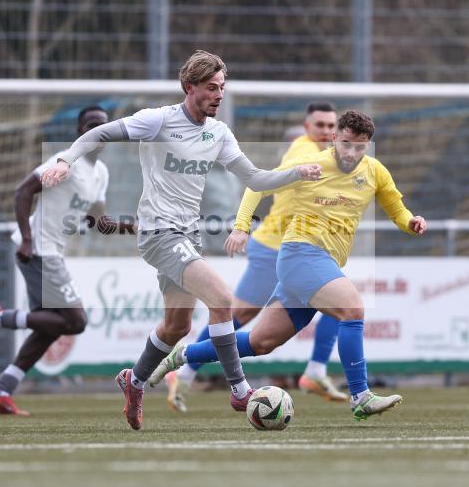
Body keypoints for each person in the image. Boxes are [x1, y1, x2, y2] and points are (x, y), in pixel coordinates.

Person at [39, 50, 321, 430]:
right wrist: (66, 160)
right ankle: (239, 390)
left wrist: (296, 173)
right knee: (222, 299)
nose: (218, 95)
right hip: (158, 233)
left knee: (176, 328)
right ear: (189, 87)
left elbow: (255, 179)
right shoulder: (158, 121)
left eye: (222, 87)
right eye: (210, 87)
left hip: (187, 234)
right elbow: (100, 132)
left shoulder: (218, 133)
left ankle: (134, 380)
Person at [150, 110, 427, 421]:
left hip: (320, 263)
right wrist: (242, 227)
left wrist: (411, 222)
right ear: (334, 138)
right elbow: (257, 185)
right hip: (300, 255)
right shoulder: (312, 166)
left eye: (360, 147)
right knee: (353, 310)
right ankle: (360, 395)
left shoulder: (374, 172)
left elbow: (396, 209)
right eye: (346, 144)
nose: (352, 153)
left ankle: (184, 355)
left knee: (261, 342)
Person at [161, 102, 347, 413]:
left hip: (299, 249)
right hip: (275, 248)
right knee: (238, 317)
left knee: (341, 302)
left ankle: (315, 372)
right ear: (306, 128)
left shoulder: (329, 155)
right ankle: (184, 369)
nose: (327, 132)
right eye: (321, 126)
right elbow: (259, 183)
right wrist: (242, 226)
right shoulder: (304, 152)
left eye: (332, 127)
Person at [0, 106, 125, 416]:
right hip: (39, 251)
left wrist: (136, 226)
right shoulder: (65, 162)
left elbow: (97, 221)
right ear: (80, 132)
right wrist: (27, 238)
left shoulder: (100, 173)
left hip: (51, 251)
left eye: (103, 128)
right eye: (91, 126)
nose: (97, 134)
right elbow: (23, 191)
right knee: (76, 321)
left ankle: (0, 390)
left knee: (50, 327)